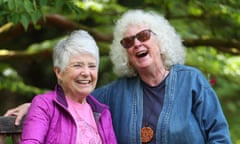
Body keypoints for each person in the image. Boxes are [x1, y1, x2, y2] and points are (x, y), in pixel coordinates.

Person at [4, 10, 231, 144]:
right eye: (128, 42)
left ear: (161, 41)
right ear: (125, 53)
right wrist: (33, 104)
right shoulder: (115, 93)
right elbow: (73, 96)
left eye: (143, 36)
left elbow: (219, 137)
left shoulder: (192, 82)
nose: (136, 44)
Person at [17, 30, 117, 143]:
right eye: (77, 65)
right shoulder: (44, 105)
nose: (86, 72)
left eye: (92, 66)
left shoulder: (103, 112)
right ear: (59, 72)